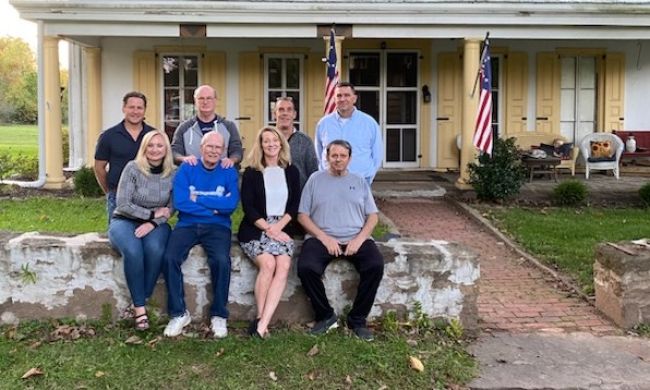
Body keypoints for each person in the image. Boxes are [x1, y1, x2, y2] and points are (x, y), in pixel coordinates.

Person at [297, 139, 384, 341]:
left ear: (349, 158)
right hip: (322, 237)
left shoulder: (359, 181)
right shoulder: (315, 180)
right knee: (306, 268)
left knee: (375, 265)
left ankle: (357, 320)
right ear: (327, 157)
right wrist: (324, 238)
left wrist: (360, 239)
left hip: (355, 236)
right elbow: (302, 215)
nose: (338, 160)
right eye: (334, 155)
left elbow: (373, 216)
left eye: (342, 156)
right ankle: (326, 316)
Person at [163, 131, 240, 338]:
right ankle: (179, 313)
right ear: (201, 148)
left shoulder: (228, 171)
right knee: (170, 258)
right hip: (187, 224)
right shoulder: (187, 168)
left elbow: (231, 205)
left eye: (218, 148)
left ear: (223, 151)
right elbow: (180, 202)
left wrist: (197, 199)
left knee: (222, 261)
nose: (214, 151)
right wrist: (215, 207)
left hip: (218, 226)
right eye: (210, 147)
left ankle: (219, 315)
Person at [238, 126, 301, 338]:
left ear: (281, 143)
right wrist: (268, 229)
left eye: (275, 140)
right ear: (261, 145)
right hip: (256, 228)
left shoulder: (291, 170)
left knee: (283, 265)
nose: (271, 144)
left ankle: (262, 323)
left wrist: (278, 228)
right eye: (266, 141)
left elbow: (294, 204)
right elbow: (248, 207)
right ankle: (260, 320)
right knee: (268, 264)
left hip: (283, 226)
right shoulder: (252, 172)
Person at [108, 130, 175, 330]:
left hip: (157, 225)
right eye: (150, 146)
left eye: (159, 146)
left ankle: (141, 297)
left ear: (166, 149)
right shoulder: (133, 168)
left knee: (155, 250)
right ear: (144, 148)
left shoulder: (174, 172)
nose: (155, 150)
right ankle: (140, 309)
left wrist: (153, 224)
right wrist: (151, 215)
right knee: (133, 251)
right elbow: (123, 203)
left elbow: (172, 207)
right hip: (124, 220)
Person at [94, 91, 154, 223]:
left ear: (144, 110)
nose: (135, 111)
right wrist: (110, 191)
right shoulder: (108, 136)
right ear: (124, 108)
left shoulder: (153, 136)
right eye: (131, 107)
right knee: (119, 238)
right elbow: (99, 167)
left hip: (147, 198)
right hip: (117, 197)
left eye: (139, 108)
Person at [314, 82, 383, 185]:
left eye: (347, 95)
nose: (342, 99)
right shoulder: (324, 124)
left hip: (360, 182)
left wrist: (369, 176)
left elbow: (377, 155)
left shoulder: (369, 123)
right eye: (339, 96)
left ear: (354, 98)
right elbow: (319, 153)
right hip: (330, 183)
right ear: (334, 99)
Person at [170, 85, 243, 169]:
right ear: (195, 101)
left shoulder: (229, 126)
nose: (205, 102)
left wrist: (231, 160)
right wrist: (184, 159)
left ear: (215, 101)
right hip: (193, 177)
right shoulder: (184, 128)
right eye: (201, 98)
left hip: (221, 177)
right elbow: (174, 151)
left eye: (209, 98)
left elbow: (237, 151)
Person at [273, 97, 318, 190]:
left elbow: (313, 173)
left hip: (300, 198)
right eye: (281, 110)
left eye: (289, 110)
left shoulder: (305, 141)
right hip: (272, 197)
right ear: (274, 114)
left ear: (294, 114)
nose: (285, 113)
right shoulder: (266, 140)